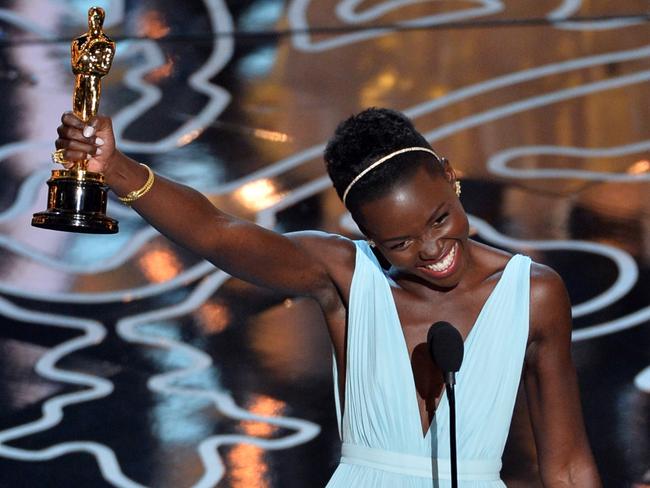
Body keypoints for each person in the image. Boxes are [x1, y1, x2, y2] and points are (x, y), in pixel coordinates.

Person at [54, 107, 601, 487]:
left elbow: (569, 467)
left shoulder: (533, 293)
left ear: (451, 178)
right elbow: (218, 233)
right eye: (400, 242)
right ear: (364, 233)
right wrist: (115, 169)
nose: (433, 249)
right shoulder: (344, 275)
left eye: (440, 218)